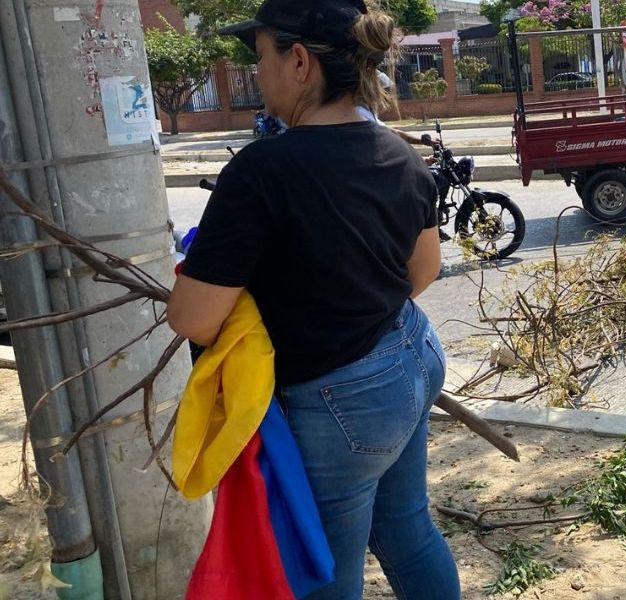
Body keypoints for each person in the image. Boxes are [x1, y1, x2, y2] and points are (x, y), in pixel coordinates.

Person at [167, 0, 460, 597]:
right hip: (412, 354)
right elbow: (423, 270)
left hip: (340, 399)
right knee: (407, 529)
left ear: (299, 61)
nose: (259, 73)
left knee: (323, 576)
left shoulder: (260, 172)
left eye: (263, 55)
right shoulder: (402, 155)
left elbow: (195, 319)